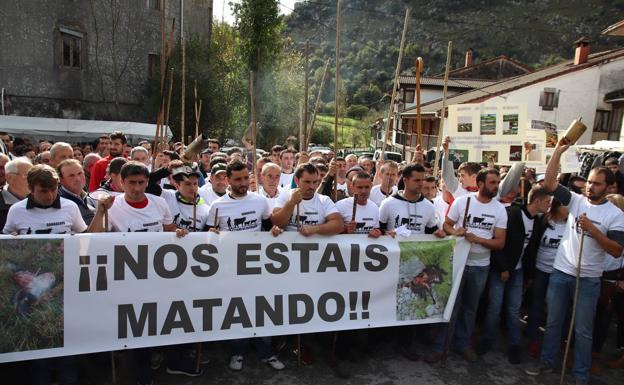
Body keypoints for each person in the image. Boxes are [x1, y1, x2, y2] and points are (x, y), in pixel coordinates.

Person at [526, 139, 624, 385]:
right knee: (554, 322)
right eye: (589, 182)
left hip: (589, 278)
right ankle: (547, 363)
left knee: (582, 329)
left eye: (597, 184)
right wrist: (557, 152)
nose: (590, 187)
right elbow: (549, 184)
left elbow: (616, 250)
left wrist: (593, 230)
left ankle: (581, 374)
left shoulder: (616, 215)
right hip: (561, 272)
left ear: (609, 186)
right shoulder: (576, 200)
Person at [206, 160, 285, 372]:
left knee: (261, 309)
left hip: (259, 266)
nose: (242, 183)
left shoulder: (260, 202)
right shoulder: (217, 206)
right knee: (237, 311)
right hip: (231, 269)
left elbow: (269, 226)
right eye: (237, 179)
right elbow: (207, 238)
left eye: (245, 178)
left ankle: (266, 353)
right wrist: (211, 236)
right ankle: (237, 352)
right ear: (228, 179)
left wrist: (274, 231)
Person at [426, 168, 507, 364]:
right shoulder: (463, 202)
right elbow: (446, 225)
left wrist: (477, 239)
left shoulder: (499, 209)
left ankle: (462, 344)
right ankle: (441, 346)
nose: (496, 186)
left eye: (497, 182)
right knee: (451, 305)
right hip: (458, 263)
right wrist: (455, 232)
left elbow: (500, 242)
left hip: (481, 266)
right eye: (492, 183)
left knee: (470, 308)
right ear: (480, 184)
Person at [476, 185, 553, 364]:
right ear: (537, 201)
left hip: (518, 272)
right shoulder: (512, 214)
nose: (549, 205)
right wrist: (503, 268)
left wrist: (528, 275)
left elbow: (531, 250)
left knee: (513, 309)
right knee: (494, 307)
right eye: (548, 202)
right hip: (501, 270)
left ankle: (514, 345)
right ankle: (486, 339)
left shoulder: (539, 221)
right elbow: (498, 243)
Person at [525, 198, 569, 358]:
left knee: (557, 309)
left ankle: (557, 342)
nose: (569, 208)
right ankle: (533, 339)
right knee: (536, 305)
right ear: (557, 206)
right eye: (566, 205)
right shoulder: (543, 221)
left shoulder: (572, 225)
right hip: (540, 270)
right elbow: (533, 244)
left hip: (561, 272)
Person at [271, 163, 343, 235]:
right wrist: (291, 203)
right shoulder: (286, 195)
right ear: (296, 180)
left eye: (315, 182)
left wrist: (316, 229)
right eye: (307, 182)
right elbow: (276, 222)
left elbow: (339, 225)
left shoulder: (324, 200)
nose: (311, 186)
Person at [336, 171, 381, 238]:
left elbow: (377, 228)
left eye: (367, 187)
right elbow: (330, 233)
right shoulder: (340, 206)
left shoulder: (374, 207)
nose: (363, 191)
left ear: (371, 186)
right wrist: (345, 229)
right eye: (360, 187)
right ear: (352, 187)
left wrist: (377, 232)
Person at [58, 159, 95, 225]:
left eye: (80, 173)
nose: (78, 179)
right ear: (61, 180)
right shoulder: (60, 202)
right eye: (71, 176)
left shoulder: (91, 198)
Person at [0, 157, 32, 229]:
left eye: (34, 175)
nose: (33, 180)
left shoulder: (39, 200)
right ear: (9, 178)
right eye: (28, 175)